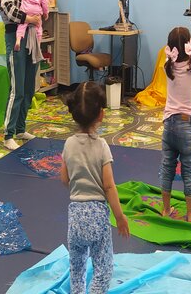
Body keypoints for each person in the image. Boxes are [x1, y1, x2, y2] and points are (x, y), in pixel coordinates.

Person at [60, 82, 130, 293]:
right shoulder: (101, 146)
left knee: (77, 264)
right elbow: (109, 187)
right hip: (97, 215)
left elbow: (65, 178)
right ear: (101, 114)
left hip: (75, 216)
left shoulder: (69, 144)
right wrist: (119, 217)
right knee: (103, 266)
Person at [0, 0, 42, 150]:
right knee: (17, 88)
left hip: (31, 35)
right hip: (15, 35)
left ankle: (21, 128)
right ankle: (9, 133)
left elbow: (35, 2)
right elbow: (12, 11)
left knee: (29, 85)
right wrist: (30, 18)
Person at [160, 26, 191, 222]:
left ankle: (166, 209)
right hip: (186, 124)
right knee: (188, 170)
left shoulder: (167, 66)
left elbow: (170, 58)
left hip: (168, 124)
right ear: (189, 45)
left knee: (167, 167)